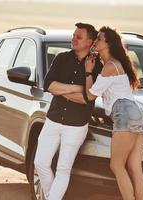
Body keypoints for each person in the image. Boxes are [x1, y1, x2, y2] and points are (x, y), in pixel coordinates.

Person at [34, 23, 102, 200]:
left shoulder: (97, 67)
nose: (73, 39)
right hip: (53, 119)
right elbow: (49, 85)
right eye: (73, 35)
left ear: (89, 42)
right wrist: (77, 88)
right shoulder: (61, 58)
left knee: (63, 169)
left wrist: (63, 91)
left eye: (78, 37)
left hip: (76, 126)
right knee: (40, 162)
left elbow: (88, 99)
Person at [84, 26, 143, 200]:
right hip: (137, 113)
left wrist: (88, 71)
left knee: (117, 165)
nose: (95, 41)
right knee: (135, 166)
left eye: (99, 39)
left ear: (108, 44)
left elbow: (90, 94)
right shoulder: (114, 64)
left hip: (124, 114)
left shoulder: (110, 66)